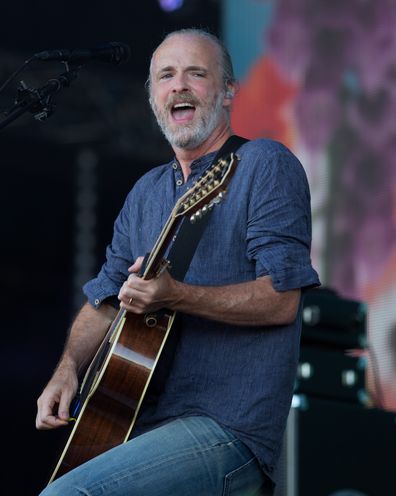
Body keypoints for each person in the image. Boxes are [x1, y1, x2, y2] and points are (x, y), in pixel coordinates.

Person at [36, 28, 320, 495]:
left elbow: (282, 299)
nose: (179, 85)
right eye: (165, 76)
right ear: (152, 97)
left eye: (196, 73)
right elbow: (105, 296)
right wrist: (67, 369)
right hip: (136, 424)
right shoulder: (148, 192)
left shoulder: (264, 164)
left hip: (227, 429)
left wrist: (176, 295)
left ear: (229, 91)